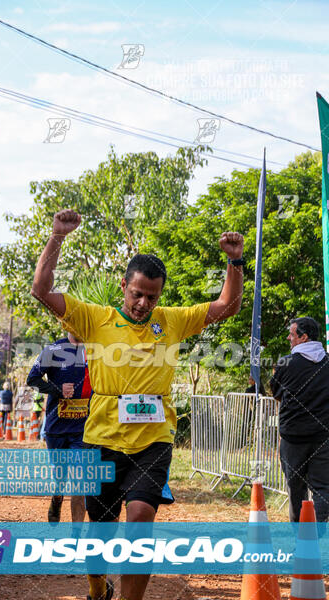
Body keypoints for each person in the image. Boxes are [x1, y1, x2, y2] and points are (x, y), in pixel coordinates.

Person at [30, 209, 244, 600]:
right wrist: (57, 236)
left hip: (153, 439)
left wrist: (234, 262)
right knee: (102, 530)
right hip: (102, 438)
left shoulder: (173, 320)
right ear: (124, 286)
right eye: (137, 293)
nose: (144, 303)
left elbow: (227, 306)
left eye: (152, 296)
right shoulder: (95, 319)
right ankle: (97, 585)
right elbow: (41, 291)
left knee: (141, 522)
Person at [270, 317, 329, 524]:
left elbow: (275, 392)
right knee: (323, 488)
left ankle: (300, 535)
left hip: (293, 437)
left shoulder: (286, 362)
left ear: (304, 337)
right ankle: (316, 533)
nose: (289, 337)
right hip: (323, 437)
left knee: (296, 488)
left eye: (292, 334)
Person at [27, 332, 89, 523]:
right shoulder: (53, 350)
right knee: (60, 478)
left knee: (81, 482)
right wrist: (57, 390)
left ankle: (76, 534)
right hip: (56, 427)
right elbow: (32, 379)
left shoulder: (97, 350)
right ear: (66, 323)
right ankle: (57, 496)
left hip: (84, 428)